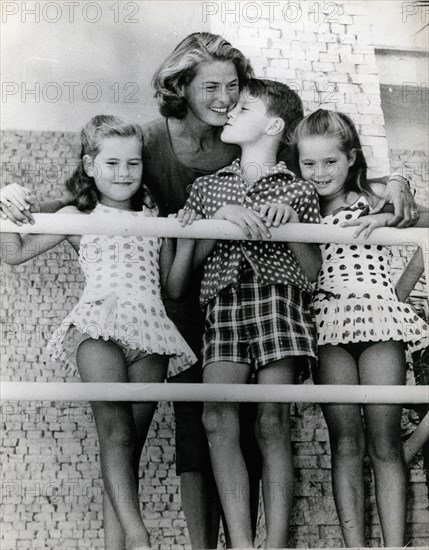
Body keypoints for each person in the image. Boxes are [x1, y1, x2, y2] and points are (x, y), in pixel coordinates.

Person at [0, 31, 420, 547]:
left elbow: (332, 161)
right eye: (212, 88)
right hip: (172, 306)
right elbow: (89, 195)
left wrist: (393, 181)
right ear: (183, 86)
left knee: (263, 424)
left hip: (259, 300)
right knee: (186, 430)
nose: (225, 99)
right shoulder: (152, 142)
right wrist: (13, 197)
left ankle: (266, 540)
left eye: (234, 88)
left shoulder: (271, 148)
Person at [1, 115, 199, 550]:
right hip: (99, 327)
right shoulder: (79, 216)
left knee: (128, 454)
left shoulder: (155, 218)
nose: (123, 173)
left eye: (133, 164)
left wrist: (183, 240)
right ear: (90, 166)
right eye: (111, 163)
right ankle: (140, 537)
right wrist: (5, 202)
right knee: (117, 435)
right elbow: (13, 254)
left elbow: (173, 288)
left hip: (151, 334)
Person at [178, 78, 321, 548]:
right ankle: (241, 542)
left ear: (275, 124)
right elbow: (186, 272)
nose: (231, 111)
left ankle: (274, 544)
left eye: (245, 106)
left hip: (278, 304)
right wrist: (219, 224)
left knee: (271, 421)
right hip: (223, 305)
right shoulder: (205, 188)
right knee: (217, 418)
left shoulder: (299, 189)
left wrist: (292, 225)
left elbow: (313, 271)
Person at [288, 108, 429, 547]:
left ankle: (394, 546)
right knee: (345, 443)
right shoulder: (304, 209)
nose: (319, 172)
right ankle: (354, 547)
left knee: (385, 442)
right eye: (308, 163)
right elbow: (309, 274)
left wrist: (389, 219)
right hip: (330, 328)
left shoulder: (375, 197)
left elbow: (427, 225)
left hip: (381, 325)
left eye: (330, 161)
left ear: (350, 158)